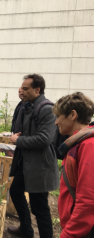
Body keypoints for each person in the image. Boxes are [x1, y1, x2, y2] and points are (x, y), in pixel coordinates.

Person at [8, 74, 59, 238]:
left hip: (40, 166)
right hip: (26, 163)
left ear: (37, 90)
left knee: (39, 207)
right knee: (15, 192)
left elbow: (45, 139)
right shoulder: (28, 106)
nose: (21, 91)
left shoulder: (47, 109)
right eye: (21, 88)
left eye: (25, 88)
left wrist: (19, 139)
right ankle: (26, 230)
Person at [53, 92, 94, 238]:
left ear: (72, 115)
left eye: (58, 116)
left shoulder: (88, 146)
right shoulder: (77, 143)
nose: (56, 122)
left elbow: (88, 202)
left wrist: (68, 234)